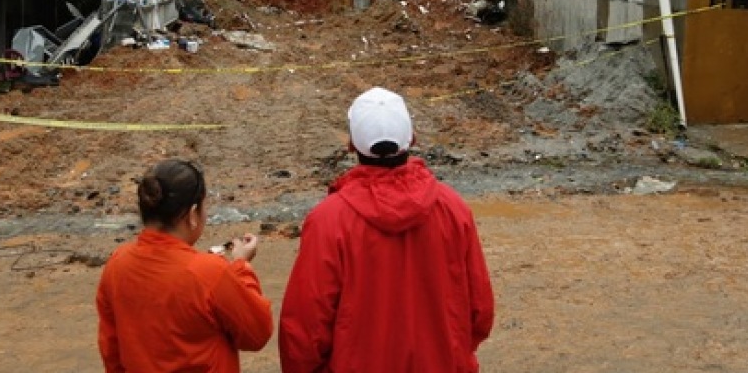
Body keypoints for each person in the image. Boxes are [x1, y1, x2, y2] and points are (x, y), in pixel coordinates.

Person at [279, 87, 495, 373]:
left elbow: (305, 327)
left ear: (351, 146)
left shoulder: (328, 221)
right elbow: (479, 312)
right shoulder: (454, 209)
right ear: (413, 139)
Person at [96, 159, 273, 372]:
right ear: (191, 215)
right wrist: (241, 267)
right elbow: (257, 333)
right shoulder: (209, 272)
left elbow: (111, 350)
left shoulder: (117, 264)